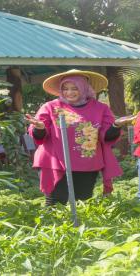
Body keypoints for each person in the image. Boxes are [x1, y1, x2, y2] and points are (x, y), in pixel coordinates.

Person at [25, 69, 135, 206]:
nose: (69, 92)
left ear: (84, 88)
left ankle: (77, 228)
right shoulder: (50, 107)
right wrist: (40, 128)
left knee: (81, 202)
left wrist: (116, 125)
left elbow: (106, 137)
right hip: (55, 162)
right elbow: (39, 135)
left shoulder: (100, 108)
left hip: (87, 165)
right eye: (65, 88)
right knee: (54, 203)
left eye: (74, 88)